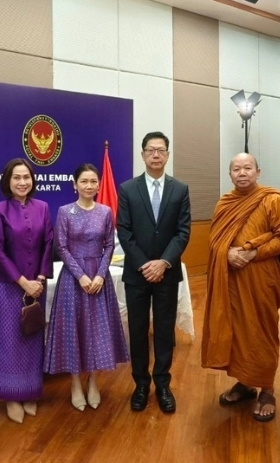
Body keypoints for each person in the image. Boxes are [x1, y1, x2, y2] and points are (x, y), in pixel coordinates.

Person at [201, 153, 280, 422]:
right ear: (230, 174)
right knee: (238, 329)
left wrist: (253, 254)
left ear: (258, 171)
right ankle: (245, 382)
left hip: (260, 278)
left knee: (261, 330)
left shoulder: (272, 200)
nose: (242, 173)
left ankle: (266, 388)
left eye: (247, 168)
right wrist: (227, 253)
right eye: (236, 169)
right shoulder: (225, 203)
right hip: (231, 279)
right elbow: (215, 240)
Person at [117, 132, 191, 414]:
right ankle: (140, 384)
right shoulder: (127, 189)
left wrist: (163, 263)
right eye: (151, 150)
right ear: (143, 155)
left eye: (161, 150)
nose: (156, 155)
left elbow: (183, 232)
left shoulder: (180, 189)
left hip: (167, 274)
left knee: (163, 330)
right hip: (137, 274)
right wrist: (145, 264)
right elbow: (124, 230)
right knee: (137, 331)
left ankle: (162, 383)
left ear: (168, 155)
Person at [44, 164, 128, 411]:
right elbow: (61, 247)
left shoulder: (104, 211)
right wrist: (81, 276)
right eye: (84, 181)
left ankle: (92, 380)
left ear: (98, 185)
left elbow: (109, 246)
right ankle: (74, 382)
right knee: (73, 329)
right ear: (75, 184)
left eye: (93, 181)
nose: (89, 186)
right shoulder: (64, 211)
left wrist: (101, 276)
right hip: (73, 278)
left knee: (95, 330)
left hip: (98, 278)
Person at [0, 158, 53, 424]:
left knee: (32, 337)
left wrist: (38, 278)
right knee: (8, 340)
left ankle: (29, 392)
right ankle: (11, 396)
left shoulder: (44, 207)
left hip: (37, 285)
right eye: (16, 177)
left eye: (26, 177)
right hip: (7, 285)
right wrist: (22, 281)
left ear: (32, 180)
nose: (22, 182)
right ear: (8, 181)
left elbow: (49, 242)